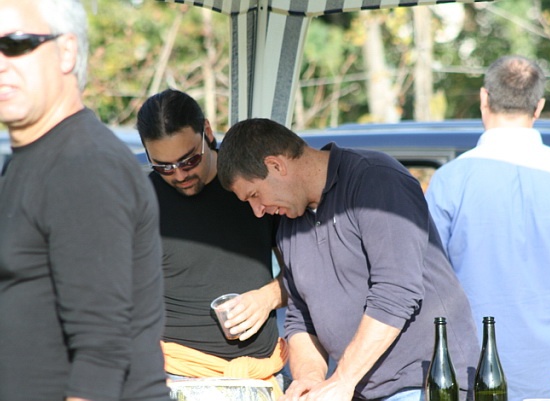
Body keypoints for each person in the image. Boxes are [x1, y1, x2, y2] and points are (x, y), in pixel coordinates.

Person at [216, 118, 480, 401]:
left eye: (255, 195)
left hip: (427, 385)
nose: (258, 211)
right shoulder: (289, 222)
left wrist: (343, 379)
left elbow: (396, 292)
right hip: (357, 390)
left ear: (276, 165)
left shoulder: (375, 179)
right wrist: (310, 379)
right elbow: (301, 316)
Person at [0, 1, 170, 401]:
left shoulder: (83, 164)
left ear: (67, 52)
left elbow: (102, 352)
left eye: (16, 44)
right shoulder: (30, 160)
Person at [425, 55, 550, 401]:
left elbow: (427, 285)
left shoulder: (449, 182)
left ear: (484, 98)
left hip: (477, 377)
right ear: (539, 107)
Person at [135, 89, 288, 396]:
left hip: (260, 373)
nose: (179, 175)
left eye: (189, 160)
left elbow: (303, 272)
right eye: (163, 166)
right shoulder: (139, 202)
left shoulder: (255, 184)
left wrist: (268, 297)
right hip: (175, 375)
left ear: (207, 131)